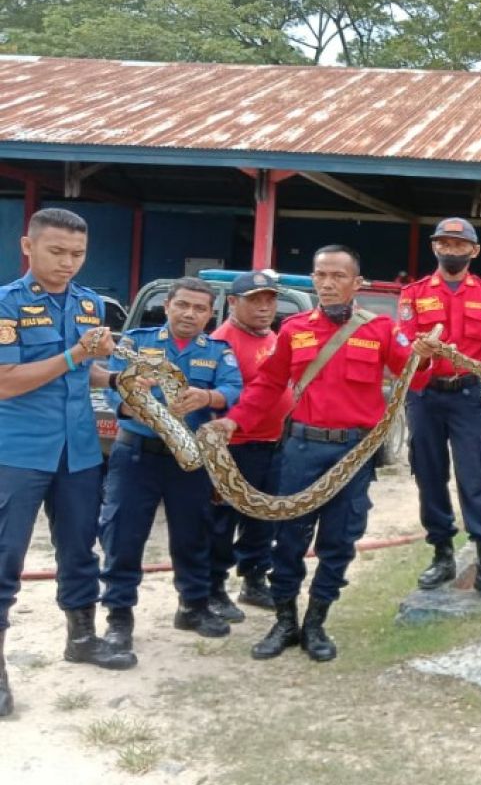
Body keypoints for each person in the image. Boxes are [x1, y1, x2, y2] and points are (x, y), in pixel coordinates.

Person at [206, 245, 416, 662]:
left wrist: (426, 353)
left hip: (354, 454)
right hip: (301, 449)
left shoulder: (380, 329)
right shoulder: (294, 329)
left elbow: (415, 370)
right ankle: (284, 620)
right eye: (321, 275)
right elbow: (267, 384)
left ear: (356, 283)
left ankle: (316, 622)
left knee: (339, 542)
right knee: (287, 539)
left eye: (338, 275)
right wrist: (235, 420)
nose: (327, 283)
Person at [0, 208, 137, 717]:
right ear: (28, 246)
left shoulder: (87, 304)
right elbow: (6, 380)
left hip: (77, 450)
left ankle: (81, 637)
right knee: (5, 556)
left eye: (77, 254)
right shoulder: (7, 306)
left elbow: (86, 372)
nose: (68, 263)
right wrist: (78, 357)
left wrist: (119, 379)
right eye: (57, 252)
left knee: (80, 547)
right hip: (17, 451)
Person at [100, 277, 242, 652]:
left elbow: (234, 389)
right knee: (123, 535)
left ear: (211, 315)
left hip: (190, 461)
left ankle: (193, 607)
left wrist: (207, 396)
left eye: (199, 308)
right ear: (167, 306)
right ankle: (119, 617)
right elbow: (109, 385)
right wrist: (130, 404)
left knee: (193, 535)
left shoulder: (217, 351)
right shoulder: (136, 342)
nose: (189, 314)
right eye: (182, 305)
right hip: (136, 455)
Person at [402, 218, 481, 604]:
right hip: (425, 397)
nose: (451, 250)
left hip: (466, 396)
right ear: (435, 248)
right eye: (444, 243)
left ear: (473, 251)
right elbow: (404, 346)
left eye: (458, 244)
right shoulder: (413, 294)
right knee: (429, 476)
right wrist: (419, 353)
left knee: (474, 476)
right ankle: (442, 554)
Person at [208, 270, 292, 618]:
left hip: (273, 443)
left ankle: (254, 580)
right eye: (254, 300)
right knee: (221, 520)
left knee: (264, 517)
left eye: (270, 300)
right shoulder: (220, 342)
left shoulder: (272, 337)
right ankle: (213, 588)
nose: (264, 307)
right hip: (237, 447)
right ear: (232, 303)